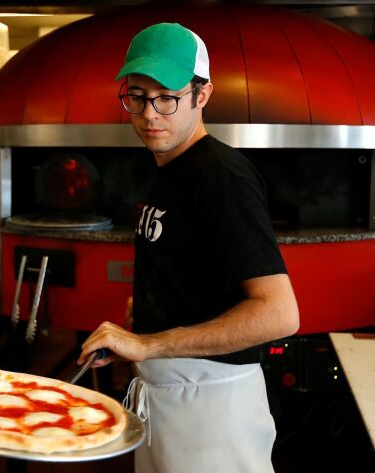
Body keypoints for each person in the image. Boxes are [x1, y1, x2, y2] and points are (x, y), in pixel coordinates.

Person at [78, 22, 299, 473]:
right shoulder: (170, 168)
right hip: (167, 398)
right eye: (136, 96)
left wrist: (149, 344)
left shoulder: (222, 177)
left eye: (167, 97)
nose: (149, 114)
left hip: (213, 408)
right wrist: (148, 310)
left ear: (202, 95)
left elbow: (280, 314)